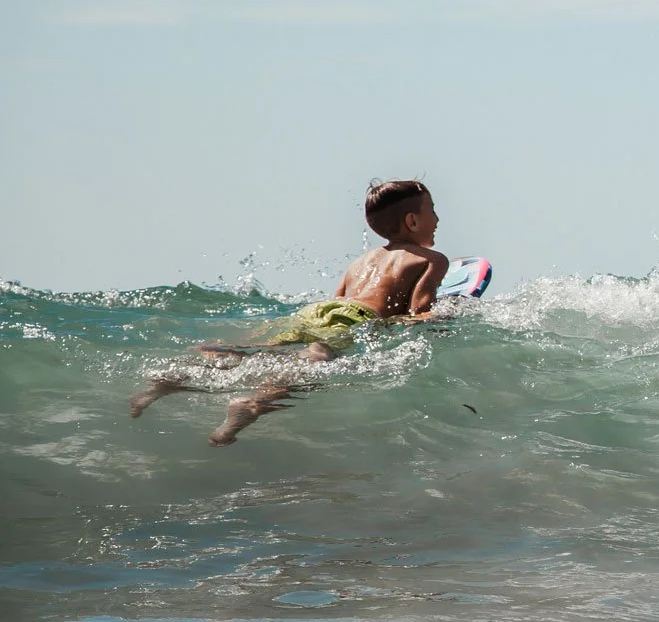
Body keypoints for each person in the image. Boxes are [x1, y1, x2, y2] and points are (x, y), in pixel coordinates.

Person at [130, 179, 449, 445]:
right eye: (432, 210)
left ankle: (167, 383)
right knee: (318, 358)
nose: (437, 218)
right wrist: (442, 319)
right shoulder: (432, 259)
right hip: (355, 317)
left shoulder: (360, 262)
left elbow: (337, 301)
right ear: (412, 221)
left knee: (262, 350)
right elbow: (420, 311)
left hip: (315, 311)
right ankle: (251, 405)